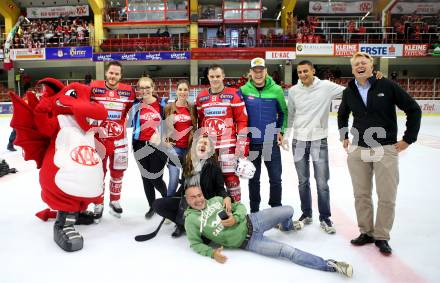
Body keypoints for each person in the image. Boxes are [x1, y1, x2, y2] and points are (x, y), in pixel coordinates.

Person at [337, 52, 421, 254]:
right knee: (362, 195)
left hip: (385, 148)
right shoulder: (349, 91)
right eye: (356, 63)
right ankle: (366, 231)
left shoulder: (386, 85)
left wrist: (408, 138)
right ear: (352, 69)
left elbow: (414, 109)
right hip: (358, 150)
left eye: (363, 62)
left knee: (386, 196)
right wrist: (344, 135)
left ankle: (382, 236)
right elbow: (342, 114)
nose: (360, 65)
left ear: (371, 65)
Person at [183, 185, 353, 278]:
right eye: (193, 197)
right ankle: (330, 265)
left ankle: (285, 226)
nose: (198, 199)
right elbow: (195, 244)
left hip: (253, 220)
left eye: (199, 195)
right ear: (187, 200)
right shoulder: (191, 220)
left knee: (288, 209)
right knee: (288, 252)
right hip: (249, 242)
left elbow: (240, 207)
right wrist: (212, 253)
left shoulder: (217, 200)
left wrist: (235, 217)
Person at [285, 60, 346, 234]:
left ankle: (325, 217)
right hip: (298, 141)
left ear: (313, 71)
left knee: (322, 182)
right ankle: (306, 214)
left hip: (319, 140)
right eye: (299, 72)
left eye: (305, 71)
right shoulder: (294, 91)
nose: (302, 74)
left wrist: (374, 79)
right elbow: (291, 115)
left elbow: (350, 91)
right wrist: (287, 136)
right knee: (303, 181)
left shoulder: (326, 86)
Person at [153, 134, 231, 237]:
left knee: (205, 235)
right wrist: (159, 145)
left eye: (206, 143)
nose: (202, 145)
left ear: (210, 150)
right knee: (158, 205)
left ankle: (194, 223)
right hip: (187, 201)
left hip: (203, 203)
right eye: (200, 142)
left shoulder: (214, 167)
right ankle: (182, 223)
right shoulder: (187, 161)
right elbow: (170, 158)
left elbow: (220, 188)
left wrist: (226, 197)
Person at [239, 58, 287, 213]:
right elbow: (239, 115)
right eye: (255, 71)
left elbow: (283, 113)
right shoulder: (243, 90)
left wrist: (281, 130)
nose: (258, 73)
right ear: (250, 72)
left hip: (270, 142)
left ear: (266, 71)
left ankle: (276, 209)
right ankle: (254, 211)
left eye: (261, 70)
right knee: (253, 179)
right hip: (251, 142)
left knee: (275, 178)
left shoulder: (277, 90)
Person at [195, 64, 249, 202]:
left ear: (223, 76)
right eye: (212, 76)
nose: (215, 79)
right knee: (209, 179)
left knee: (230, 178)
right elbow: (201, 121)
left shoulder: (233, 94)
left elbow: (242, 121)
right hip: (209, 147)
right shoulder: (201, 97)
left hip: (227, 145)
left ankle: (236, 209)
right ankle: (215, 210)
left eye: (218, 76)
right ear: (208, 77)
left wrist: (241, 145)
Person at [90, 61, 136, 221]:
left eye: (116, 74)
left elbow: (133, 109)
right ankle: (98, 202)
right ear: (106, 73)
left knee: (118, 173)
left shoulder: (128, 92)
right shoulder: (94, 88)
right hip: (99, 140)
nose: (113, 76)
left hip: (120, 140)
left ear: (120, 76)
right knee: (97, 174)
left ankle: (115, 200)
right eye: (111, 73)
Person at [131, 77, 168, 219]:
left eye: (148, 87)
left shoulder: (163, 105)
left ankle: (167, 200)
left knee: (156, 178)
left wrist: (163, 137)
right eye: (142, 88)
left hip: (157, 146)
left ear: (153, 88)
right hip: (140, 145)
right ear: (139, 89)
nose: (145, 90)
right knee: (145, 178)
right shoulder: (136, 105)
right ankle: (152, 206)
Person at [163, 80, 197, 197]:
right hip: (174, 148)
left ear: (189, 91)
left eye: (185, 89)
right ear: (176, 91)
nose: (183, 92)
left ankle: (184, 206)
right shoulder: (168, 108)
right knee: (173, 179)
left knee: (188, 180)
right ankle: (168, 205)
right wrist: (165, 141)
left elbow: (195, 127)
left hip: (189, 148)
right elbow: (164, 127)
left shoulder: (193, 108)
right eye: (180, 89)